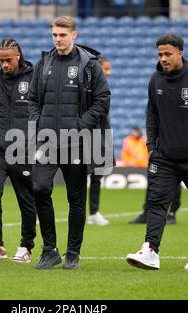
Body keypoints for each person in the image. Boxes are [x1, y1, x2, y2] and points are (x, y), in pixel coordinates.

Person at [126, 34, 188, 271]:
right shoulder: (155, 80)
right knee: (156, 204)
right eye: (160, 54)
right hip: (163, 157)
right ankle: (151, 250)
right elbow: (152, 115)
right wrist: (151, 147)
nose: (163, 59)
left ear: (180, 53)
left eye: (167, 54)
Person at [29, 16, 111, 269]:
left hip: (77, 142)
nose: (58, 39)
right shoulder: (44, 63)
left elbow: (102, 99)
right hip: (48, 141)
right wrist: (39, 122)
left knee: (76, 199)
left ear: (74, 35)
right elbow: (32, 99)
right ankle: (49, 250)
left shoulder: (89, 65)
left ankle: (73, 253)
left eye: (62, 35)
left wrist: (80, 125)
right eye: (54, 35)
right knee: (40, 189)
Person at [0, 38, 37, 263]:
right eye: (1, 60)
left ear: (18, 56)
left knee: (26, 199)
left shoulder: (33, 79)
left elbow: (40, 110)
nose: (4, 64)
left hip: (24, 150)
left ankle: (26, 246)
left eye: (8, 60)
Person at [87, 56, 111, 226]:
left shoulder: (104, 87)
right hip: (87, 135)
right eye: (106, 68)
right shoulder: (89, 88)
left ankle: (94, 213)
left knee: (98, 174)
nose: (109, 72)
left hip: (101, 135)